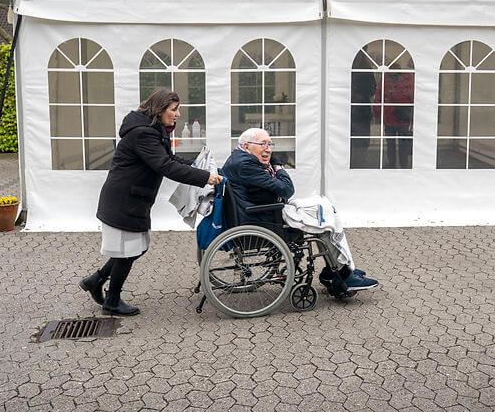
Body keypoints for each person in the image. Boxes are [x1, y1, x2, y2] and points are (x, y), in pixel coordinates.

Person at [79, 88, 222, 315]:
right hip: (124, 200)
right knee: (128, 251)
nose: (177, 114)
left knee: (135, 249)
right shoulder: (143, 133)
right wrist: (205, 178)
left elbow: (169, 159)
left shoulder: (154, 129)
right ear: (160, 108)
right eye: (173, 110)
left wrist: (195, 164)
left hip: (134, 198)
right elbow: (164, 166)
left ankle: (95, 281)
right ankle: (112, 301)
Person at [222, 128, 379, 292]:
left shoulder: (237, 158)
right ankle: (341, 274)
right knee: (323, 223)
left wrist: (272, 164)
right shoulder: (245, 165)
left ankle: (337, 270)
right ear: (246, 146)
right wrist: (279, 167)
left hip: (258, 213)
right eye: (263, 144)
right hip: (264, 219)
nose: (268, 149)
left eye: (270, 144)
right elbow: (287, 189)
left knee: (322, 208)